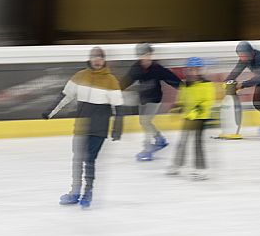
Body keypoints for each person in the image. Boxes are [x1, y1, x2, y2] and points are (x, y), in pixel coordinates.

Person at [42, 47, 123, 208]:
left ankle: (88, 191)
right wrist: (50, 112)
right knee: (77, 159)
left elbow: (118, 107)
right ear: (90, 59)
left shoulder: (111, 81)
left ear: (104, 60)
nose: (97, 60)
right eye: (94, 57)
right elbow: (65, 96)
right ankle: (75, 192)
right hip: (81, 126)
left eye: (100, 57)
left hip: (99, 128)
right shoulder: (80, 76)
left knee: (89, 159)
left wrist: (117, 127)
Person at [120, 43, 182, 161]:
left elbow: (170, 78)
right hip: (143, 99)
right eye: (144, 55)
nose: (147, 58)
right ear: (139, 56)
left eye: (149, 55)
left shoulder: (156, 68)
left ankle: (147, 149)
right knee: (144, 122)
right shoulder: (136, 68)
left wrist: (182, 87)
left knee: (145, 121)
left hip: (155, 99)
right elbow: (126, 80)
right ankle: (159, 139)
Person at [166, 57, 216, 180]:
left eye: (197, 70)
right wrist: (178, 106)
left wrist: (199, 109)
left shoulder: (207, 85)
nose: (194, 72)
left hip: (200, 118)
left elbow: (209, 100)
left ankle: (201, 169)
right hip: (188, 117)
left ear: (201, 70)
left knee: (197, 144)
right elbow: (182, 98)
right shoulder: (185, 84)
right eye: (191, 70)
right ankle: (177, 165)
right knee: (182, 142)